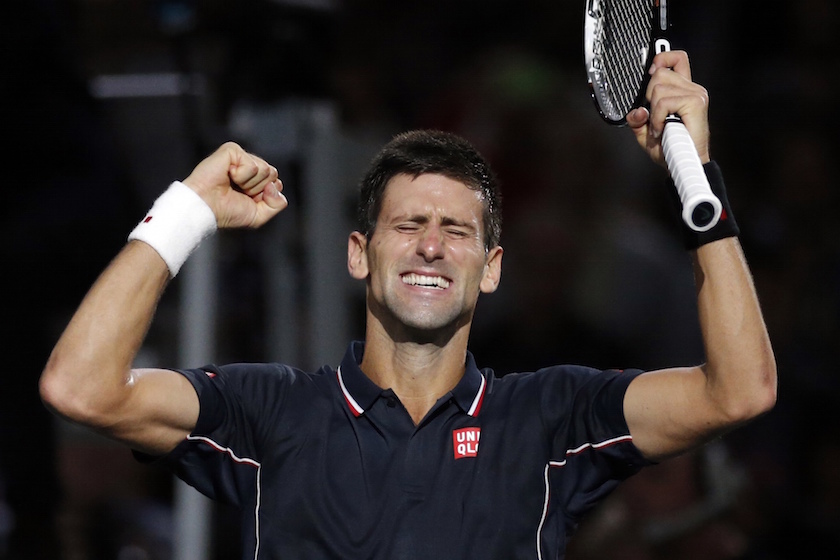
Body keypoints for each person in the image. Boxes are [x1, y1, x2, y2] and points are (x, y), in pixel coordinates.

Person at [40, 51, 776, 559]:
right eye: (407, 225)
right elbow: (80, 387)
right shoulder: (269, 411)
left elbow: (740, 391)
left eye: (455, 230)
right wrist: (187, 211)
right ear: (359, 254)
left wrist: (696, 179)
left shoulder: (552, 418)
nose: (430, 245)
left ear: (490, 270)